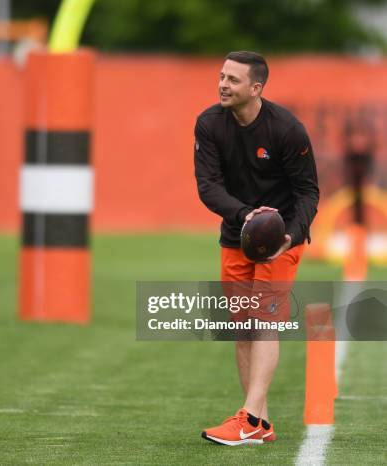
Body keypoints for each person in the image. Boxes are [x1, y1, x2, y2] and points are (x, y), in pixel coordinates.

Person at [194, 51, 319, 445]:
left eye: (232, 79)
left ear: (256, 88)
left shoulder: (287, 129)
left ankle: (247, 418)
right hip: (237, 233)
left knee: (264, 323)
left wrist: (291, 236)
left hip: (279, 240)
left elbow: (308, 192)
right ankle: (260, 425)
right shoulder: (209, 124)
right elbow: (209, 187)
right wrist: (246, 215)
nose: (223, 85)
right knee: (243, 328)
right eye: (221, 76)